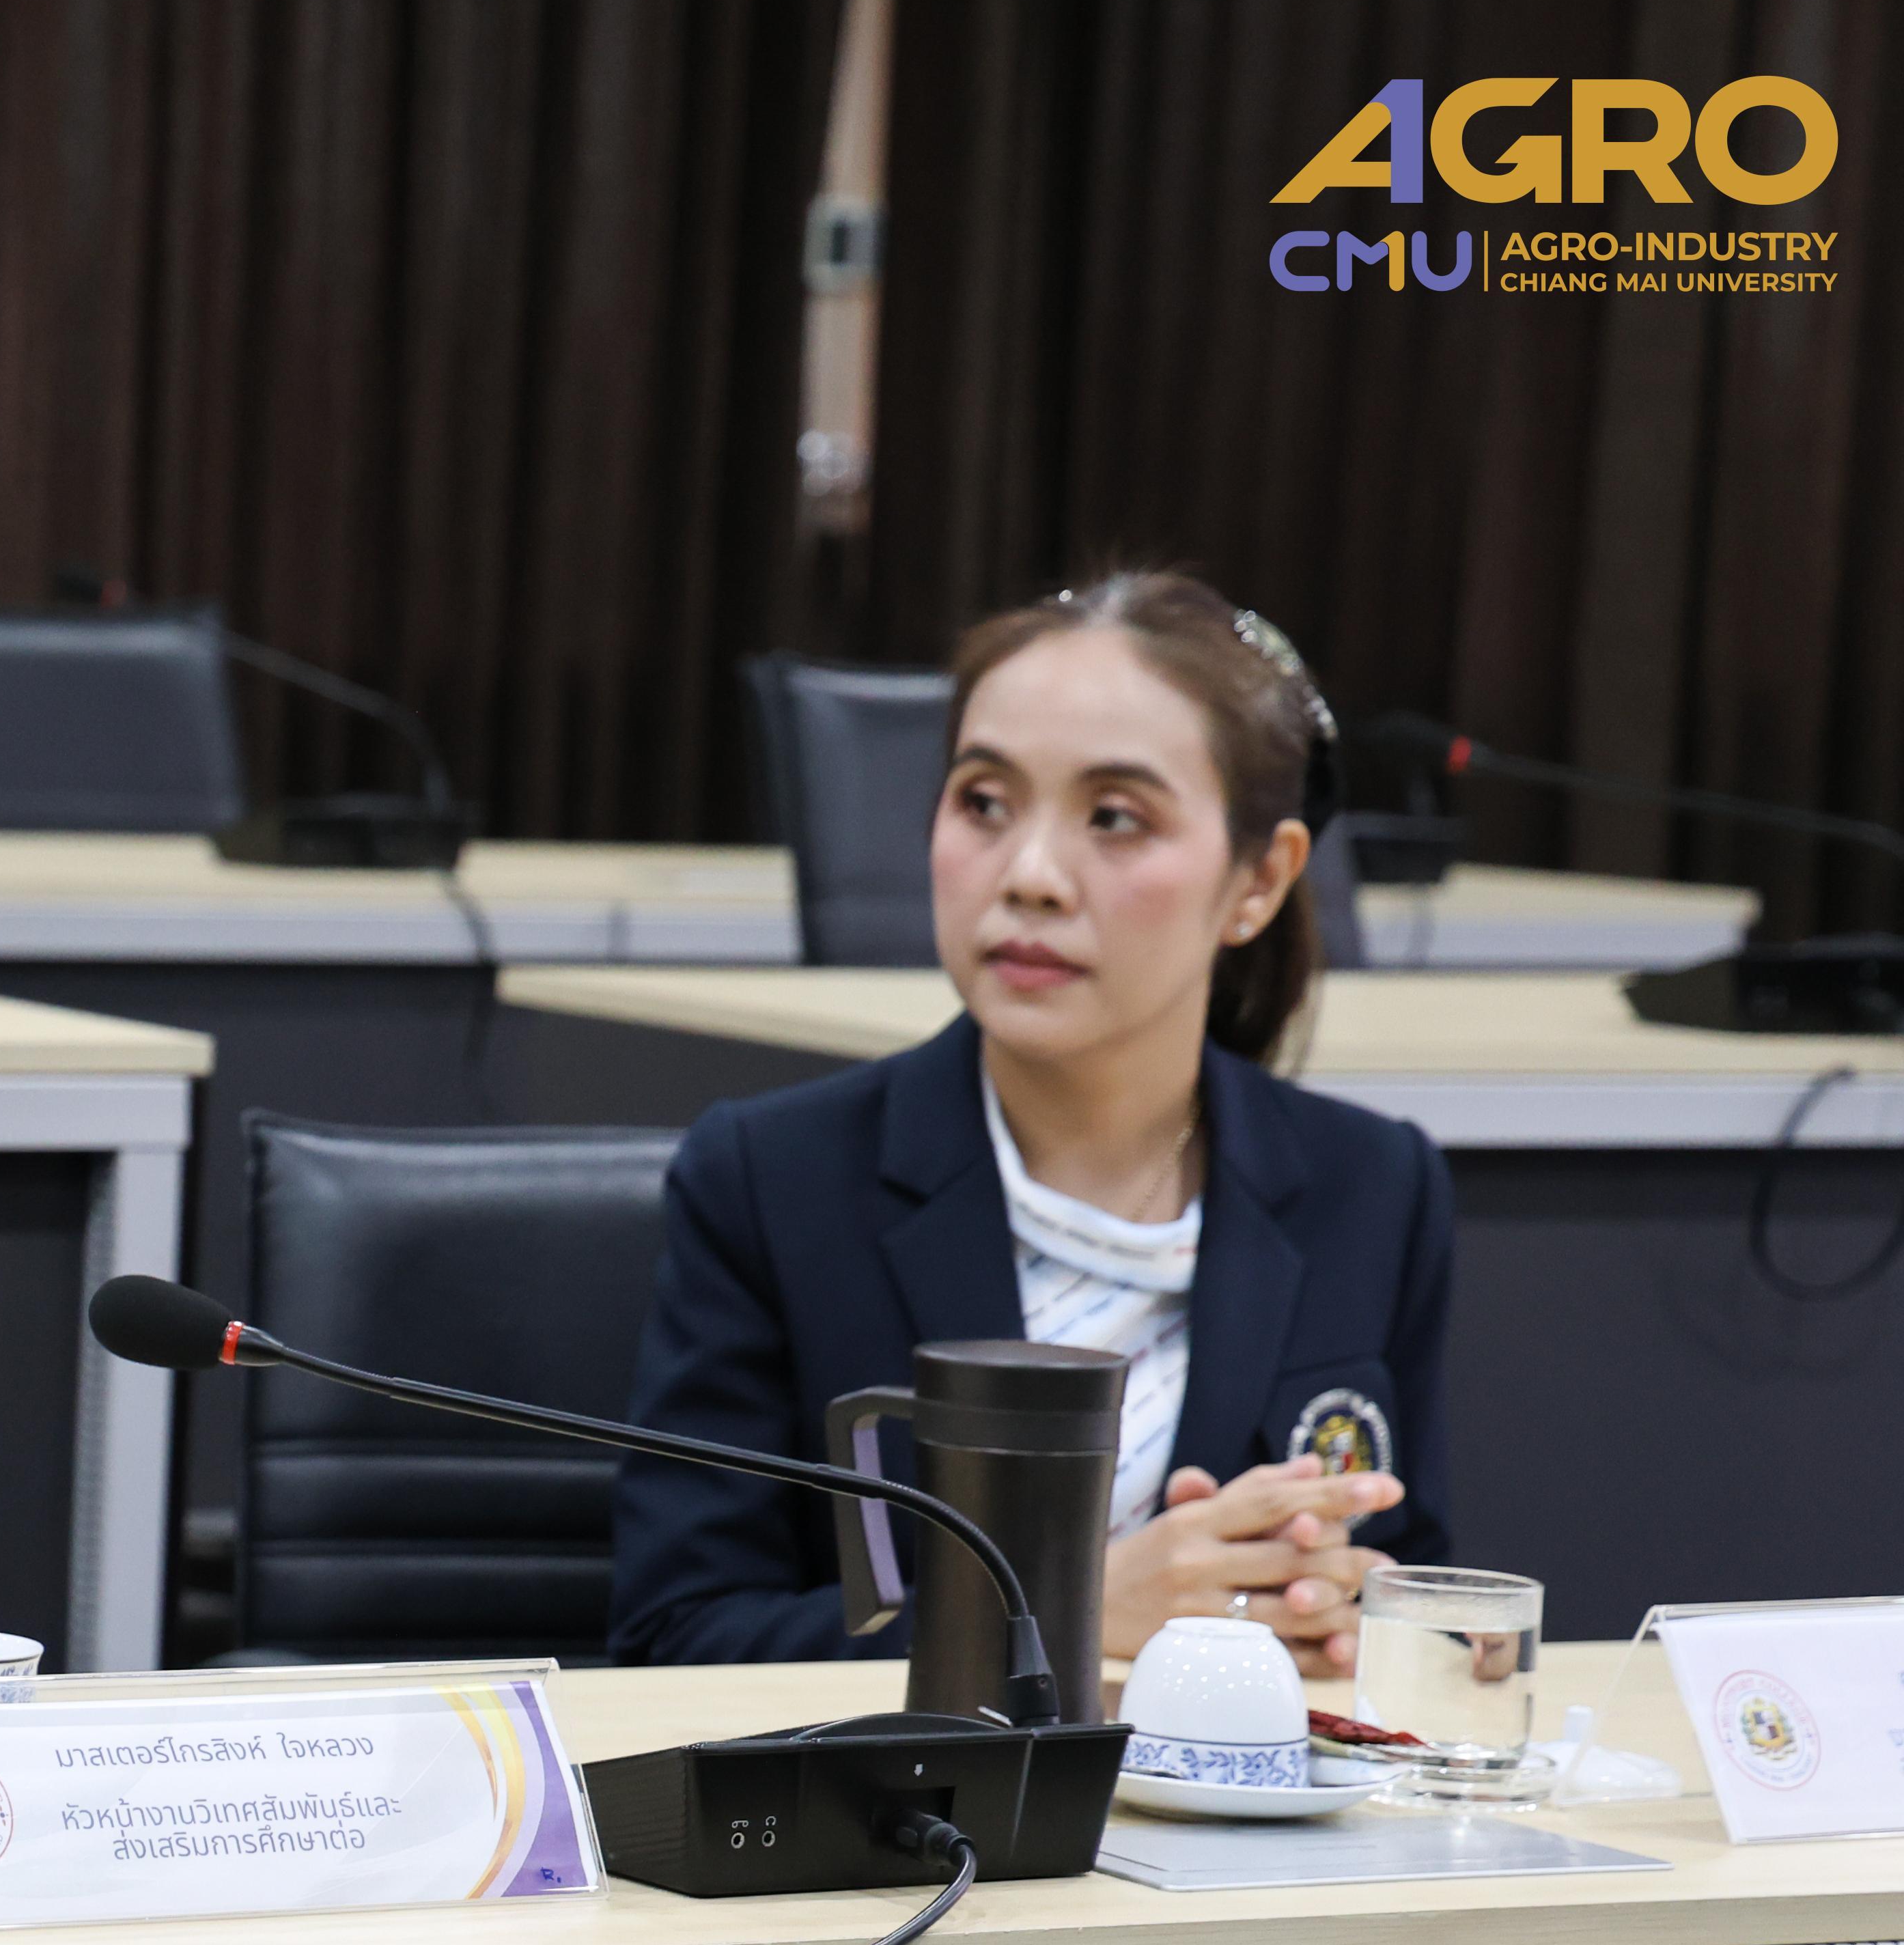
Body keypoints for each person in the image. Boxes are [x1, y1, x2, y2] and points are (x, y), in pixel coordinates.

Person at [612, 570, 1453, 1681]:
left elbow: (1410, 1586)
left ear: (1260, 880)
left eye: (1115, 819)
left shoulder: (1373, 1185)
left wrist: (1366, 1619)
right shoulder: (774, 1181)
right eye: (984, 803)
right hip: (918, 1797)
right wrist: (1072, 1612)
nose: (1032, 876)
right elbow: (678, 1641)